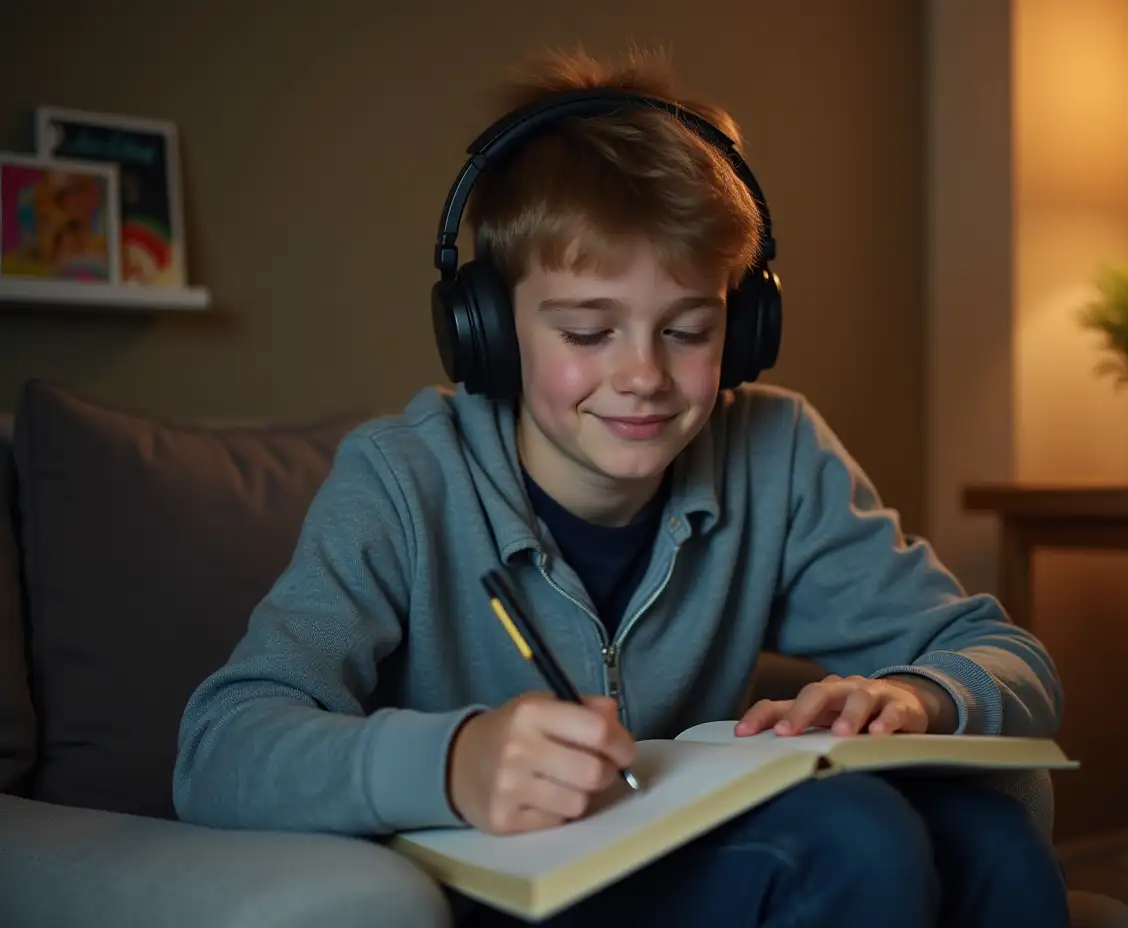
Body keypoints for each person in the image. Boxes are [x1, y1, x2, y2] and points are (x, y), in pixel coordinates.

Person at [173, 45, 1070, 927]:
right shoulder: (403, 480)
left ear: (745, 326)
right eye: (588, 332)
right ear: (486, 331)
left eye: (688, 329)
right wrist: (452, 763)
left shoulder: (777, 450)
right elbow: (221, 745)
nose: (643, 376)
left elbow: (1005, 656)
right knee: (853, 838)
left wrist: (920, 695)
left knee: (986, 833)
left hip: (679, 856)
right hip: (508, 882)